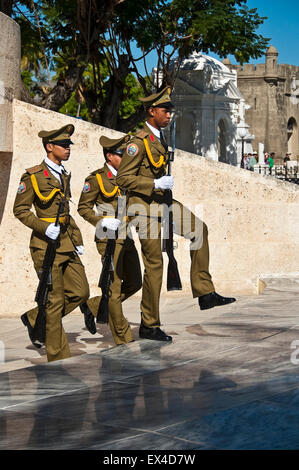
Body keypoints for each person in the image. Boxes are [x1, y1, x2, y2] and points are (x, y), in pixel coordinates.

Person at [116, 86, 236, 343]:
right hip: (143, 208)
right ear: (151, 111)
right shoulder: (137, 143)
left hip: (164, 203)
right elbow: (123, 178)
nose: (169, 114)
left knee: (199, 230)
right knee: (155, 265)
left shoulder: (161, 137)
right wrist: (154, 185)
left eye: (171, 110)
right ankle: (149, 324)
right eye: (165, 110)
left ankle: (205, 292)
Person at [13, 124, 90, 362]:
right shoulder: (33, 176)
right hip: (45, 245)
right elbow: (20, 210)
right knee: (55, 300)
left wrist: (77, 239)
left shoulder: (64, 173)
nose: (68, 149)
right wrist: (44, 226)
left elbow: (66, 211)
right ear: (49, 147)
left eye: (69, 145)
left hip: (66, 242)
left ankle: (36, 317)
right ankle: (59, 358)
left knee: (81, 292)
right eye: (63, 145)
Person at [77, 135, 142, 345]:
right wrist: (102, 221)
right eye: (122, 155)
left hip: (127, 236)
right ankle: (123, 337)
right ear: (109, 156)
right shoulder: (96, 179)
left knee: (134, 282)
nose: (126, 158)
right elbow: (83, 208)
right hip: (108, 238)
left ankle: (95, 305)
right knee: (113, 288)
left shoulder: (129, 177)